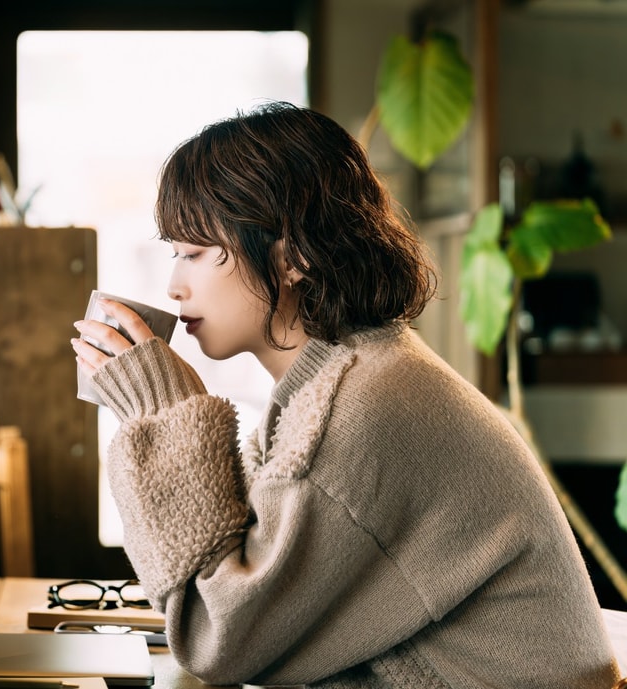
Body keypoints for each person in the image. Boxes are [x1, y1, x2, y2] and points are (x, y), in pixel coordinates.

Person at [71, 101, 621, 688]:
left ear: (292, 257)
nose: (174, 285)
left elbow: (216, 639)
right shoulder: (354, 374)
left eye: (195, 254)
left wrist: (164, 415)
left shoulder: (365, 407)